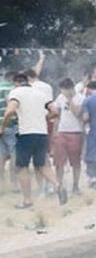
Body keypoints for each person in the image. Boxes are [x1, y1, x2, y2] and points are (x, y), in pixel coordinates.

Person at [0, 73, 67, 208]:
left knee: (22, 167)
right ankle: (58, 185)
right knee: (42, 165)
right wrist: (42, 119)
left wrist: (2, 126)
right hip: (41, 134)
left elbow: (9, 111)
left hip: (26, 134)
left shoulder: (16, 92)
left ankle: (27, 200)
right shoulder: (40, 94)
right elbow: (55, 112)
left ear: (16, 83)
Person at [52, 78, 85, 193]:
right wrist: (55, 131)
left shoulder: (80, 98)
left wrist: (70, 100)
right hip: (62, 132)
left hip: (76, 132)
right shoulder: (60, 97)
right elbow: (57, 114)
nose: (63, 93)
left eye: (64, 90)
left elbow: (78, 113)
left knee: (75, 161)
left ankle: (75, 185)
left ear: (70, 89)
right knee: (59, 161)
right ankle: (59, 185)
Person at [0, 70, 17, 191]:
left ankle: (1, 185)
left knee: (0, 155)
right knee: (14, 154)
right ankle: (14, 184)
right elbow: (10, 107)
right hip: (10, 124)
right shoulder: (11, 89)